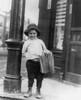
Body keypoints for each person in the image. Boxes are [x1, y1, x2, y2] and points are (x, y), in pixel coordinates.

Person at [22, 23, 51, 99]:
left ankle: (38, 91)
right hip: (30, 62)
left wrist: (48, 52)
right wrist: (29, 56)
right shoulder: (27, 42)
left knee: (40, 77)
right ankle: (29, 90)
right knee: (30, 77)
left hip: (40, 62)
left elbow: (45, 49)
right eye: (30, 33)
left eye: (34, 33)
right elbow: (23, 51)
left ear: (37, 33)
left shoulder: (40, 41)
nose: (32, 35)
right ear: (28, 34)